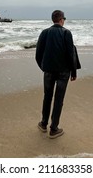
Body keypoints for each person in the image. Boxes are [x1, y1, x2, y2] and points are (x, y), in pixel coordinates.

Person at [35, 10, 81, 139]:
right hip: (63, 72)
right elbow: (70, 54)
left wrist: (43, 67)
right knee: (58, 99)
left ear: (53, 20)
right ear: (61, 20)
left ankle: (43, 124)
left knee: (47, 97)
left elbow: (38, 53)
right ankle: (54, 129)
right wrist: (73, 72)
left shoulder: (44, 33)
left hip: (48, 71)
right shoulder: (66, 33)